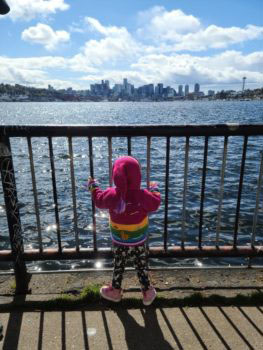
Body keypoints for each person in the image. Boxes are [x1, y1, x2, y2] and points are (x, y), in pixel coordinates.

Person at [86, 156, 161, 305]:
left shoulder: (113, 194)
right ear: (137, 176)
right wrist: (155, 189)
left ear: (116, 176)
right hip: (138, 238)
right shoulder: (142, 195)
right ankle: (147, 292)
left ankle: (115, 291)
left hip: (119, 239)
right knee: (140, 264)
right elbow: (155, 204)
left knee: (119, 263)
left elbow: (99, 200)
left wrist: (93, 187)